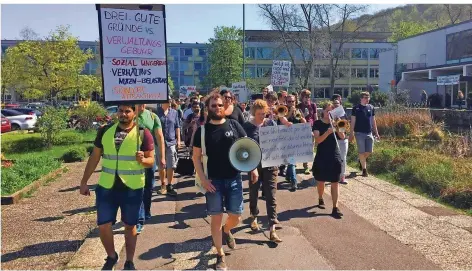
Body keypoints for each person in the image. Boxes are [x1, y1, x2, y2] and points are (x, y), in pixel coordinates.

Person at [79, 104, 155, 270]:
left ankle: (129, 261)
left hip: (132, 188)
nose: (123, 114)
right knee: (103, 224)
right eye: (120, 110)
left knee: (130, 225)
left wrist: (143, 160)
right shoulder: (105, 131)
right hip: (107, 186)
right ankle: (112, 256)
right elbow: (95, 157)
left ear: (134, 113)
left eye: (127, 111)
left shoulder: (143, 133)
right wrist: (84, 181)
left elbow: (151, 161)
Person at [192, 92, 247, 270]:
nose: (217, 108)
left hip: (233, 179)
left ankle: (227, 230)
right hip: (213, 182)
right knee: (215, 220)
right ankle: (220, 254)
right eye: (213, 105)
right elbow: (196, 158)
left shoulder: (235, 125)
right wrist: (204, 180)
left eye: (220, 105)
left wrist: (252, 168)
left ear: (225, 106)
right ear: (208, 108)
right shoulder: (202, 131)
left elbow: (246, 148)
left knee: (236, 216)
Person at [242, 99, 282, 243]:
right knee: (254, 191)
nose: (262, 117)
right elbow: (244, 147)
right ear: (253, 113)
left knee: (271, 195)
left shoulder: (271, 124)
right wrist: (251, 166)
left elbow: (279, 141)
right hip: (254, 164)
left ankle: (272, 228)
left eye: (264, 114)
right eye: (259, 114)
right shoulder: (246, 127)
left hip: (271, 164)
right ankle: (253, 216)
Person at [136, 104, 166, 234]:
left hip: (149, 158)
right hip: (132, 159)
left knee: (148, 187)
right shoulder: (128, 115)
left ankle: (146, 210)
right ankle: (139, 219)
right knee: (138, 187)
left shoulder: (153, 117)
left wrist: (162, 157)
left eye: (142, 102)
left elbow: (160, 138)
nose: (140, 105)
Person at [312, 102, 344, 219]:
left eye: (332, 112)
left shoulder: (337, 122)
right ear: (323, 112)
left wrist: (337, 127)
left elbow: (342, 136)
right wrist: (327, 132)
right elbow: (318, 141)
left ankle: (335, 208)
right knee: (321, 182)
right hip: (322, 156)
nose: (329, 114)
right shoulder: (317, 124)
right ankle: (320, 197)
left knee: (335, 183)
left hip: (334, 155)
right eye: (328, 111)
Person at [349, 92, 379, 177]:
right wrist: (351, 133)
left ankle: (361, 160)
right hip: (359, 133)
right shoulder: (356, 108)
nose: (367, 99)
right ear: (361, 98)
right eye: (365, 97)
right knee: (361, 151)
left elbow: (373, 121)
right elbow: (353, 121)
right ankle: (364, 170)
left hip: (369, 133)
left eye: (368, 97)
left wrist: (376, 132)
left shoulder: (371, 107)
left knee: (369, 151)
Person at [156, 97, 181, 196]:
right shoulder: (156, 112)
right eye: (167, 100)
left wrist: (178, 140)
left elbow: (177, 126)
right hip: (159, 143)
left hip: (171, 142)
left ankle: (170, 185)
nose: (169, 102)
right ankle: (163, 185)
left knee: (171, 165)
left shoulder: (174, 112)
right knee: (161, 165)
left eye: (170, 100)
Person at [285, 94, 306, 191]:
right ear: (286, 102)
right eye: (289, 101)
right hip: (285, 139)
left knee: (291, 161)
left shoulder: (299, 110)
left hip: (296, 139)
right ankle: (293, 181)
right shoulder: (282, 110)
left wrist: (301, 118)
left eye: (292, 101)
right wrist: (290, 112)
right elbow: (281, 122)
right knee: (291, 161)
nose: (291, 103)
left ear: (295, 101)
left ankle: (289, 176)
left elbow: (304, 123)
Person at [297, 89, 318, 175]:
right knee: (304, 148)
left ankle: (308, 166)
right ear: (302, 97)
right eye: (306, 97)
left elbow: (315, 117)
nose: (307, 98)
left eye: (309, 96)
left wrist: (316, 128)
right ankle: (305, 165)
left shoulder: (313, 105)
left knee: (311, 148)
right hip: (302, 128)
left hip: (311, 127)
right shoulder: (298, 106)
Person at [332, 99, 349, 184]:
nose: (336, 105)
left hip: (342, 140)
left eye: (337, 104)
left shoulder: (343, 115)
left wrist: (338, 121)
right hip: (333, 139)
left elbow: (344, 129)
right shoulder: (329, 115)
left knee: (343, 159)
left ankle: (342, 177)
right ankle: (334, 175)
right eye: (334, 103)